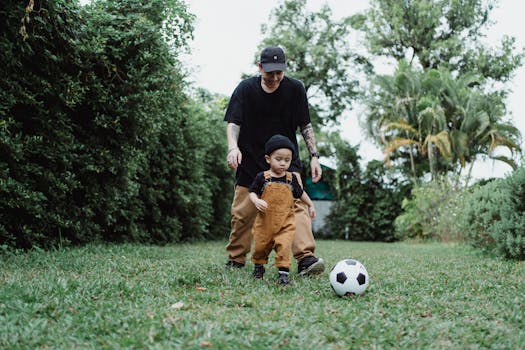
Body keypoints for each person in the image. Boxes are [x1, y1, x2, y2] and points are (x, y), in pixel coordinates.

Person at [224, 45, 325, 276]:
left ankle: (306, 258)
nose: (275, 78)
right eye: (270, 73)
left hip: (285, 161)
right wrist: (233, 148)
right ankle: (236, 258)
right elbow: (234, 122)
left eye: (280, 72)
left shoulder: (295, 89)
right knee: (243, 212)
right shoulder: (245, 89)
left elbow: (305, 125)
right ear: (260, 68)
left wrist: (315, 157)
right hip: (250, 159)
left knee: (296, 205)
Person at [249, 134, 316, 285]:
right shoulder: (262, 177)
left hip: (286, 222)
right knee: (260, 246)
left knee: (285, 246)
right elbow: (252, 191)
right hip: (265, 223)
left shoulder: (291, 179)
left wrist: (310, 205)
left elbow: (301, 194)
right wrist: (256, 200)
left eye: (287, 160)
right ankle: (259, 266)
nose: (283, 164)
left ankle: (283, 274)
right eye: (278, 159)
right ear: (268, 159)